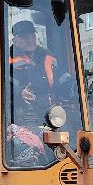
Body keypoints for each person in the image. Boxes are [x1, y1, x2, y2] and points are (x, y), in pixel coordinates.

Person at [7, 19, 61, 167]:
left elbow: (61, 78)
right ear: (15, 40)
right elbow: (3, 87)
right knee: (42, 141)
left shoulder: (47, 55)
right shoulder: (6, 60)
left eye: (32, 35)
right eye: (24, 36)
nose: (30, 39)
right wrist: (19, 93)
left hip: (53, 114)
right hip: (25, 117)